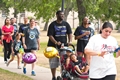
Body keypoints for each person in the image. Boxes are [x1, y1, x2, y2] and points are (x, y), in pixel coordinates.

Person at [47, 10, 72, 80]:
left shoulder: (66, 24)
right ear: (57, 15)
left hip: (63, 46)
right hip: (53, 47)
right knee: (53, 62)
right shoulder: (52, 25)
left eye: (63, 15)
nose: (62, 16)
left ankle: (63, 76)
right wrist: (55, 42)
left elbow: (70, 33)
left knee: (64, 62)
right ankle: (53, 76)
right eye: (61, 15)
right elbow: (50, 35)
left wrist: (70, 41)